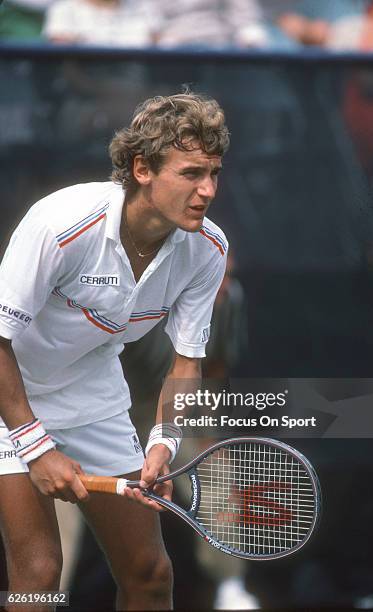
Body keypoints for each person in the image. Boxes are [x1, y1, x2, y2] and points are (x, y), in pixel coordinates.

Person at [0, 91, 229, 611]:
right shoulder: (60, 224)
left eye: (214, 173)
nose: (207, 190)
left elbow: (186, 362)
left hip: (95, 394)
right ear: (142, 168)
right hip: (10, 395)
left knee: (150, 573)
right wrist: (35, 445)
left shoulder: (207, 249)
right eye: (191, 173)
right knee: (37, 576)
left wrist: (165, 442)